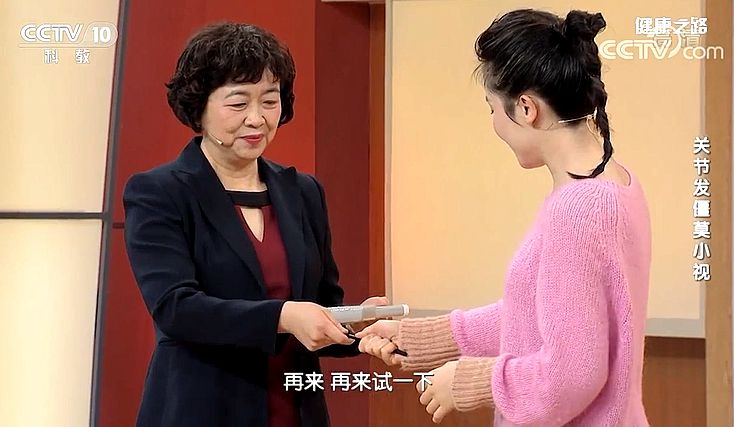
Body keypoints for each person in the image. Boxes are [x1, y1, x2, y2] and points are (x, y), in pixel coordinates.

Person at [357, 9, 651, 426]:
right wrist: (421, 338)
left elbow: (571, 376)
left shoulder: (578, 210)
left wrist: (472, 381)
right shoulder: (615, 184)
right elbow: (535, 317)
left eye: (492, 109)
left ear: (526, 108)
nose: (495, 123)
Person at [123, 22, 385, 427]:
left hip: (296, 409)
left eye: (270, 101)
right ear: (200, 105)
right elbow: (176, 309)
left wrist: (358, 323)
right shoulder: (159, 192)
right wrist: (284, 316)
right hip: (202, 409)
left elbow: (321, 305)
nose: (257, 118)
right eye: (238, 103)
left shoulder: (303, 192)